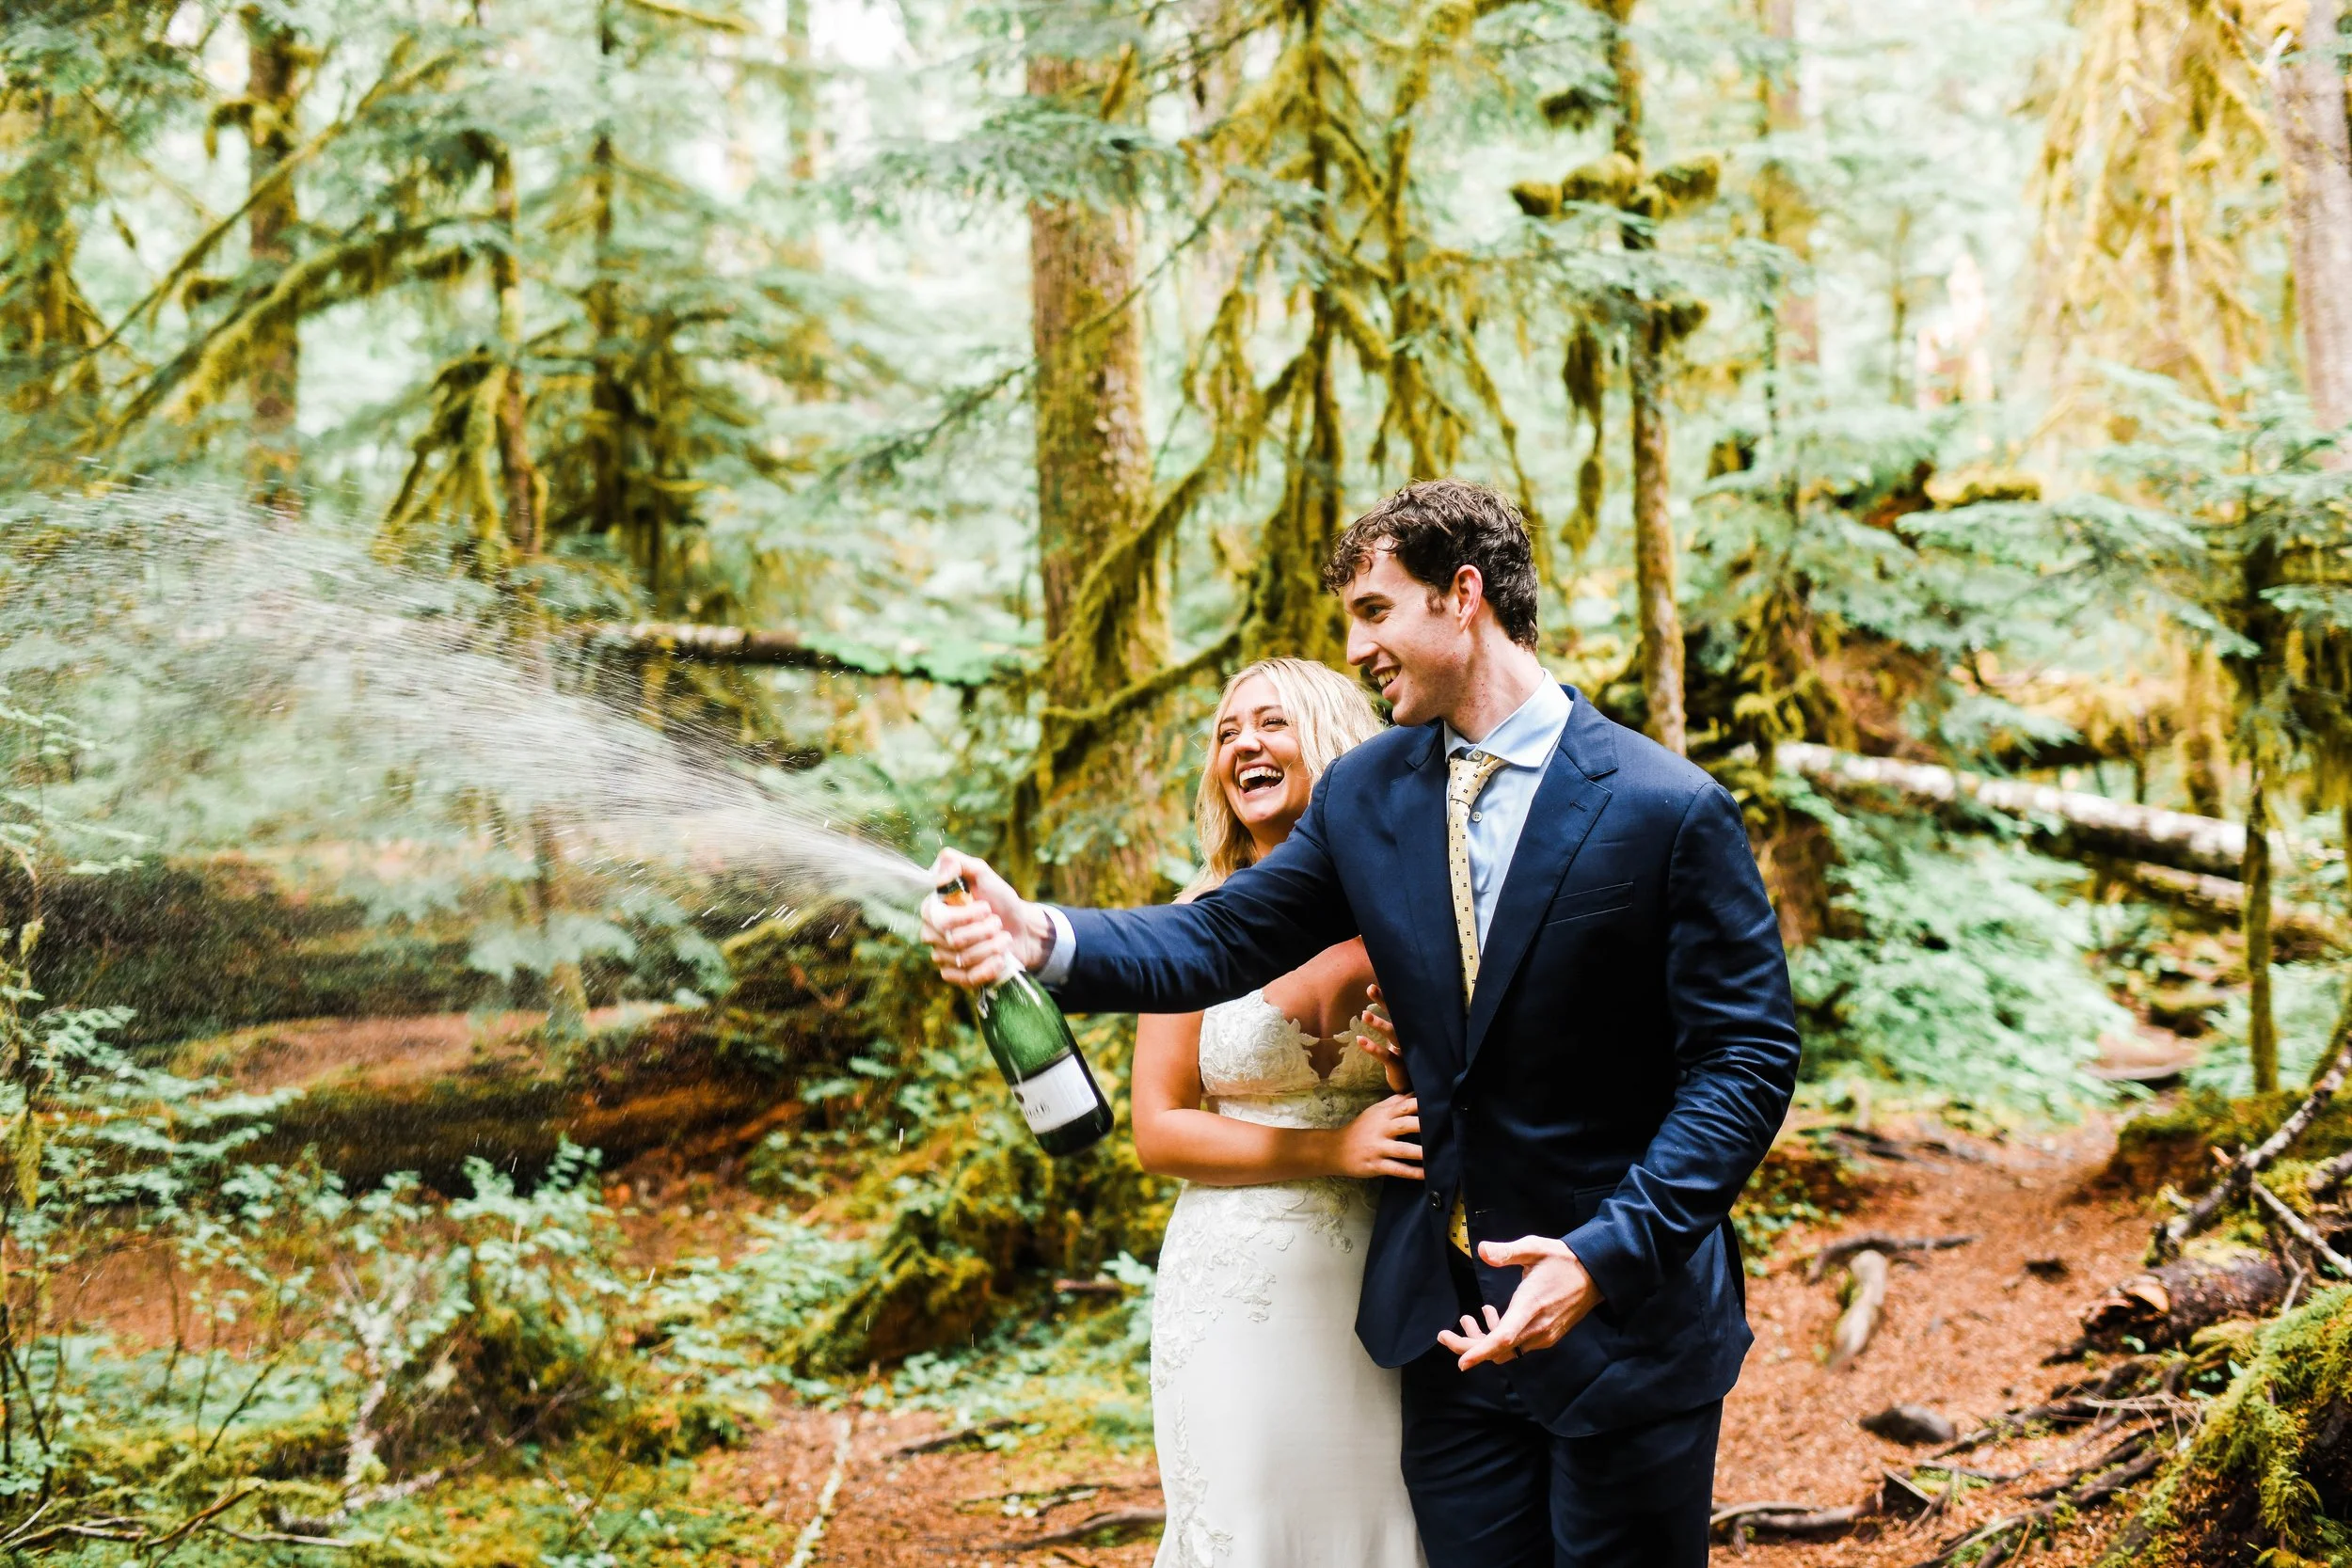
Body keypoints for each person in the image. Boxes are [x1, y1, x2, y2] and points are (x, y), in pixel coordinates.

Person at [925, 478, 1801, 1568]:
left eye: (1375, 610)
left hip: (1621, 1326)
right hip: (1439, 1340)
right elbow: (1219, 940)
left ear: (1462, 595)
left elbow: (1745, 1060)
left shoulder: (1664, 806)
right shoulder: (1369, 793)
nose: (1355, 646)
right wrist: (1039, 934)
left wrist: (1603, 1256)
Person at [1131, 656, 1423, 1568]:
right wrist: (1335, 1145)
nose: (1243, 745)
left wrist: (1415, 1068)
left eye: (1271, 723)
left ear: (1331, 741)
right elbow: (1159, 1126)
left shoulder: (1412, 906)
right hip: (1235, 1283)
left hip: (1392, 1275)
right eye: (1226, 732)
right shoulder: (1195, 919)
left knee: (1387, 1518)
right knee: (1247, 1520)